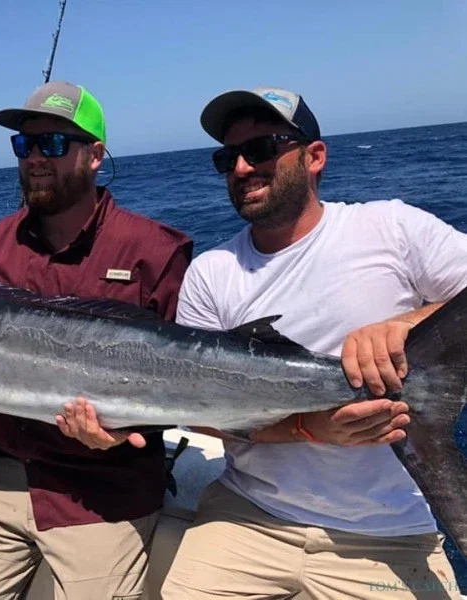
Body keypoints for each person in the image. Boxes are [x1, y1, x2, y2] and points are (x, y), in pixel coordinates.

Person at [157, 87, 467, 599]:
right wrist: (307, 428)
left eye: (260, 149)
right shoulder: (210, 273)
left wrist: (407, 325)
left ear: (315, 156)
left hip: (385, 532)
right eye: (227, 158)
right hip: (247, 516)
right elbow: (198, 411)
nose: (241, 168)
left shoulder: (391, 227)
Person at [0, 80, 194, 600]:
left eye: (52, 143)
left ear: (95, 155)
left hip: (103, 486)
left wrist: (124, 430)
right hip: (1, 475)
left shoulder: (153, 249)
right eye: (24, 144)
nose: (35, 157)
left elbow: (189, 376)